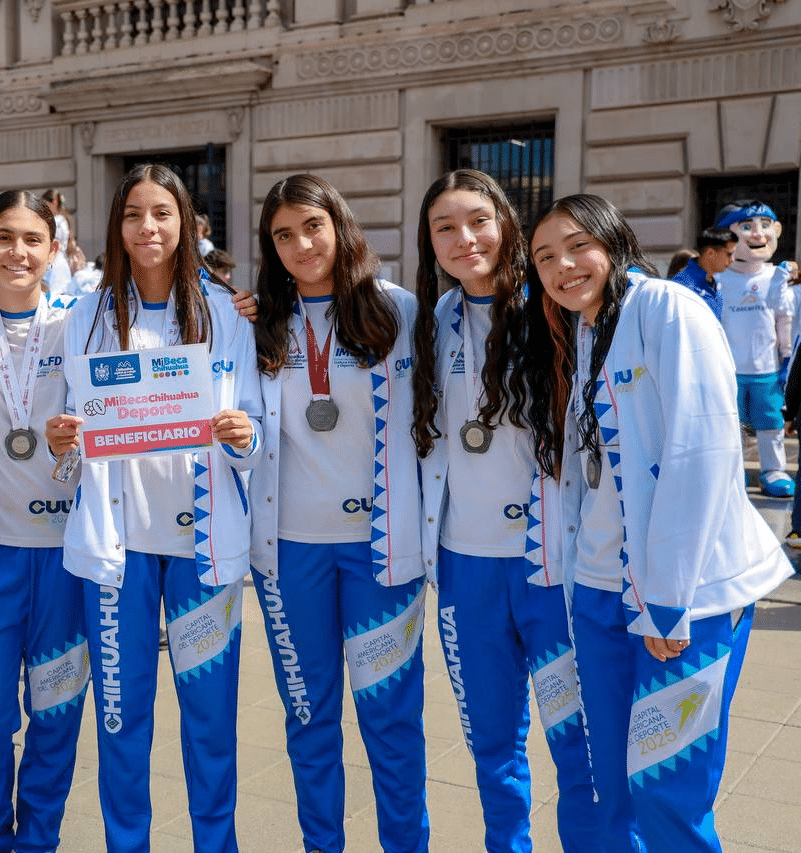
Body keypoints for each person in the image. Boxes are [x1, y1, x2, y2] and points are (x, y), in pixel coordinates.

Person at [520, 193, 792, 853]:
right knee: (612, 785)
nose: (562, 266)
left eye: (576, 245)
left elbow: (701, 454)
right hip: (599, 592)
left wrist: (665, 601)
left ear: (613, 240)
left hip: (683, 598)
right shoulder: (580, 330)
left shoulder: (667, 307)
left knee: (669, 789)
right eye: (545, 257)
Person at [44, 163, 261, 853]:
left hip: (203, 548)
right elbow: (72, 428)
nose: (148, 228)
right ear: (117, 227)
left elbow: (258, 423)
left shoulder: (229, 313)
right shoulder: (85, 314)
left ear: (188, 224)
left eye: (162, 213)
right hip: (119, 551)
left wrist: (244, 434)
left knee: (209, 724)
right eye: (134, 214)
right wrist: (63, 438)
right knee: (121, 720)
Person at [412, 169, 599, 852]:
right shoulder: (431, 322)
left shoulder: (555, 312)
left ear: (506, 223)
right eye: (445, 227)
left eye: (478, 221)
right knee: (492, 747)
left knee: (577, 746)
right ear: (430, 241)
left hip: (551, 572)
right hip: (465, 575)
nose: (465, 239)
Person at [248, 173, 429, 853]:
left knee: (390, 719)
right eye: (283, 234)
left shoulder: (400, 310)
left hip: (381, 551)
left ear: (340, 225)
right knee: (309, 715)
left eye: (312, 226)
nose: (301, 244)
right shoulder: (257, 321)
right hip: (291, 553)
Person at [0, 190, 88, 853]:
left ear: (54, 249)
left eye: (33, 239)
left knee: (56, 708)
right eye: (2, 237)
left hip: (65, 554)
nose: (17, 251)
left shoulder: (81, 324)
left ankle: (39, 838)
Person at [713, 199, 794, 497]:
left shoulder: (777, 277)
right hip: (729, 370)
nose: (757, 234)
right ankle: (735, 471)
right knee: (732, 424)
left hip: (767, 370)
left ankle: (773, 470)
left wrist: (787, 358)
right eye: (746, 227)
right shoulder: (717, 280)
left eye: (764, 225)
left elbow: (785, 321)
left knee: (770, 423)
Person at [670, 227, 736, 320]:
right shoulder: (682, 285)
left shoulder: (716, 282)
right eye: (729, 254)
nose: (732, 260)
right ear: (710, 253)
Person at [41, 189, 74, 296]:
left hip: (54, 264)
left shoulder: (57, 221)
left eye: (45, 204)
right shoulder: (62, 219)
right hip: (58, 262)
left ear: (53, 202)